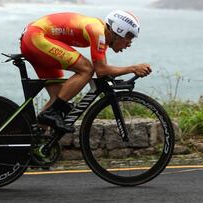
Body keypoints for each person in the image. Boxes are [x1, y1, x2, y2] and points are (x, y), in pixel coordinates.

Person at [20, 10, 152, 133]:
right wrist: (133, 68)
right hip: (36, 38)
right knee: (86, 69)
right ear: (118, 31)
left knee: (58, 97)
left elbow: (103, 70)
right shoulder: (97, 31)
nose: (129, 43)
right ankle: (50, 113)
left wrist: (116, 73)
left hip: (35, 38)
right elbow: (100, 70)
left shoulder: (102, 36)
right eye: (129, 37)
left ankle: (35, 142)